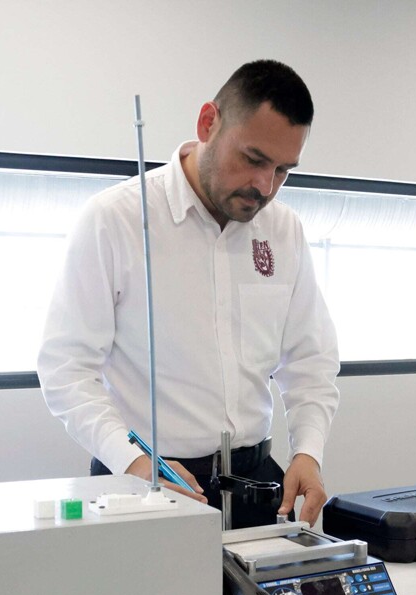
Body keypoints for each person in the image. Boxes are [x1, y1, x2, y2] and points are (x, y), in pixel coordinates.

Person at [37, 59, 339, 528]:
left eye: (283, 170)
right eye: (254, 159)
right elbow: (66, 368)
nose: (265, 186)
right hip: (147, 483)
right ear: (207, 123)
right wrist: (134, 461)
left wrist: (308, 451)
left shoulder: (284, 231)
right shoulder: (116, 220)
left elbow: (309, 360)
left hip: (256, 484)